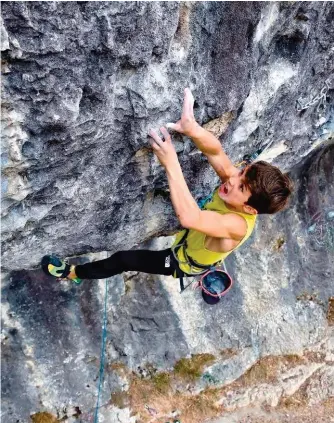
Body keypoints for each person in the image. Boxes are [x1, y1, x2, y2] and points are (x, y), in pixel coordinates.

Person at [42, 88, 293, 284]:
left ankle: (72, 274)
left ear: (250, 209)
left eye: (242, 187)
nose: (232, 179)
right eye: (242, 172)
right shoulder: (236, 185)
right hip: (194, 236)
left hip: (180, 261)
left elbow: (189, 217)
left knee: (123, 259)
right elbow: (216, 153)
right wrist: (192, 128)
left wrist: (171, 162)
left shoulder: (237, 225)